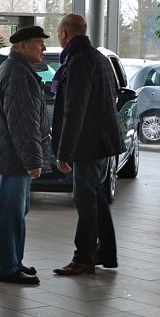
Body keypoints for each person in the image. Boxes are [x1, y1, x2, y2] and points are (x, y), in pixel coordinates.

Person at [51, 14, 125, 276]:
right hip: (101, 143)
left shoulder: (79, 60)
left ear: (65, 35)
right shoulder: (99, 58)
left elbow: (75, 111)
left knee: (84, 200)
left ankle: (83, 258)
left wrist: (64, 152)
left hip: (87, 146)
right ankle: (105, 251)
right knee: (96, 198)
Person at [0, 25, 51, 285]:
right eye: (38, 42)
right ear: (21, 46)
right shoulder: (18, 73)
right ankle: (7, 267)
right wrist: (32, 160)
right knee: (12, 212)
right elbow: (23, 123)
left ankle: (14, 262)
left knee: (17, 210)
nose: (43, 48)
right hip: (13, 158)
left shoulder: (16, 69)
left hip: (10, 155)